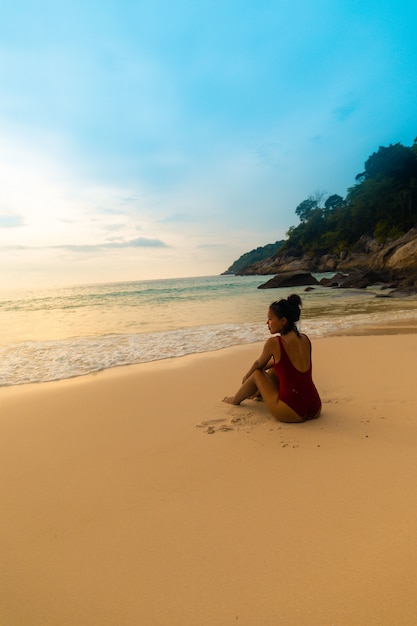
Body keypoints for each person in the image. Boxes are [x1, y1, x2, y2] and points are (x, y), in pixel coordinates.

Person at [223, 294, 321, 423]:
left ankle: (234, 400)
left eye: (270, 319)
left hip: (291, 409)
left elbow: (258, 364)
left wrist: (246, 377)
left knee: (257, 374)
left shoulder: (275, 342)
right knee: (275, 369)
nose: (267, 323)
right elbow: (285, 363)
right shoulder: (305, 339)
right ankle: (257, 394)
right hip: (315, 406)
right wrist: (270, 365)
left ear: (283, 321)